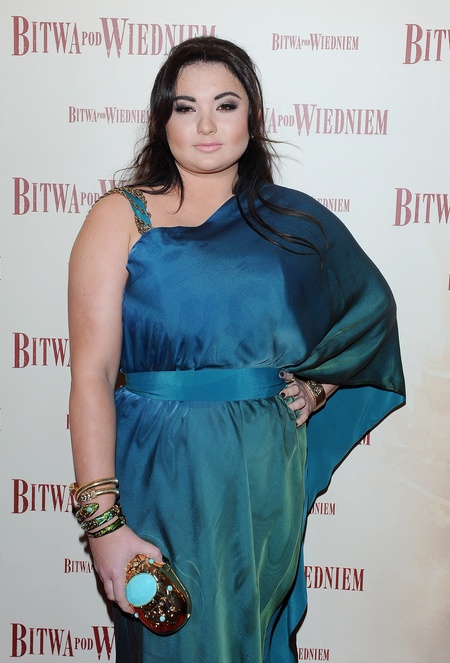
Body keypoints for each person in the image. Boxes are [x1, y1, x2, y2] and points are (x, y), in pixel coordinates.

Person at [68, 35, 405, 663]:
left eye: (225, 105)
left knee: (248, 635)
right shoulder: (122, 215)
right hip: (160, 470)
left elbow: (370, 311)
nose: (205, 125)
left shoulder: (292, 222)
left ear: (252, 117)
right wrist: (104, 524)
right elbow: (92, 374)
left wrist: (319, 384)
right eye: (185, 107)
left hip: (262, 474)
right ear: (161, 120)